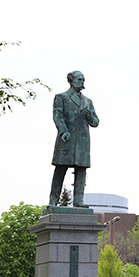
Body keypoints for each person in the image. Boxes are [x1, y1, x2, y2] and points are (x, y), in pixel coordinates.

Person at [48, 71, 100, 207]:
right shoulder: (61, 97)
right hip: (66, 139)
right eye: (79, 79)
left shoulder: (88, 101)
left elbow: (95, 122)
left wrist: (90, 116)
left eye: (83, 79)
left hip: (83, 142)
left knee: (81, 171)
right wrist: (63, 130)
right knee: (60, 170)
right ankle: (53, 200)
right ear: (71, 81)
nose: (82, 82)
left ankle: (78, 200)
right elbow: (57, 116)